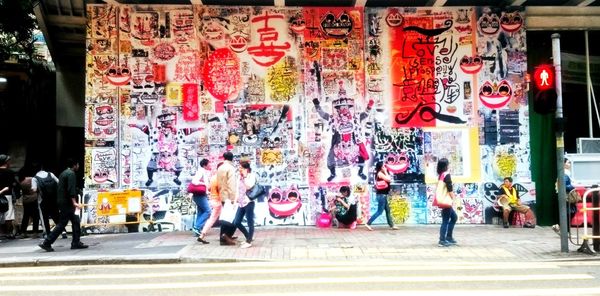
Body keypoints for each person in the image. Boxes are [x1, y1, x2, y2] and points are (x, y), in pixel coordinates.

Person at [39, 158, 89, 252]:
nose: (78, 166)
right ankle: (47, 242)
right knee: (62, 223)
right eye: (77, 165)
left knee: (75, 221)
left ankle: (76, 242)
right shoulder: (71, 174)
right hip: (68, 203)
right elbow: (71, 189)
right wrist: (74, 202)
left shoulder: (63, 173)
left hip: (63, 201)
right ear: (74, 165)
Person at [31, 162, 62, 239]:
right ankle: (63, 231)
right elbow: (58, 182)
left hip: (42, 200)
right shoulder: (50, 174)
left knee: (44, 217)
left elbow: (34, 189)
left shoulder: (35, 178)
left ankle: (47, 233)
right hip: (53, 199)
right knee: (56, 215)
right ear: (42, 167)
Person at [365, 161, 398, 231]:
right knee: (380, 211)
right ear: (380, 167)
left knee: (388, 210)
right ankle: (368, 223)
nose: (385, 167)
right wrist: (385, 171)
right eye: (383, 166)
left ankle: (391, 225)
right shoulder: (380, 173)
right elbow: (389, 179)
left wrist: (385, 171)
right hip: (381, 195)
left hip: (384, 195)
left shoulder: (381, 173)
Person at [233, 161, 257, 248]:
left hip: (249, 202)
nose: (239, 169)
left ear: (246, 169)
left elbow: (249, 187)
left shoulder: (251, 176)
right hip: (241, 202)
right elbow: (237, 190)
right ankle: (248, 236)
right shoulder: (239, 177)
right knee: (237, 222)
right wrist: (235, 201)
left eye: (241, 168)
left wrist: (245, 177)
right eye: (239, 168)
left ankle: (249, 241)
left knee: (250, 222)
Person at [216, 151, 238, 245]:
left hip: (223, 195)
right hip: (229, 196)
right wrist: (233, 198)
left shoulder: (220, 167)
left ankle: (223, 237)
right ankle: (226, 236)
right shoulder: (231, 168)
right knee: (233, 218)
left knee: (225, 217)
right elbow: (231, 184)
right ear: (232, 158)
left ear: (224, 158)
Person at [437, 158, 458, 247]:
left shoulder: (441, 175)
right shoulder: (446, 175)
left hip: (443, 199)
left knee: (454, 217)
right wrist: (454, 199)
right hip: (447, 200)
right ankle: (442, 240)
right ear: (446, 166)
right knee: (445, 220)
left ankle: (448, 237)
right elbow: (450, 189)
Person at [0, 154, 20, 240]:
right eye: (8, 161)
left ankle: (1, 232)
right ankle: (7, 233)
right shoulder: (10, 172)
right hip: (7, 196)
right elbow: (14, 185)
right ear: (6, 162)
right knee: (8, 215)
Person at [190, 158, 211, 237]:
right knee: (208, 211)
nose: (210, 165)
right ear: (205, 165)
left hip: (200, 195)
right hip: (199, 195)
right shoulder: (201, 171)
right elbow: (194, 181)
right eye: (209, 163)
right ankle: (197, 227)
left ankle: (197, 230)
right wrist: (204, 184)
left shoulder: (204, 172)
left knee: (201, 212)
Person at [18, 168, 40, 238]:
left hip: (25, 200)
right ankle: (35, 232)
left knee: (26, 216)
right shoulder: (32, 179)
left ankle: (23, 232)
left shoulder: (21, 182)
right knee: (35, 216)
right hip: (34, 199)